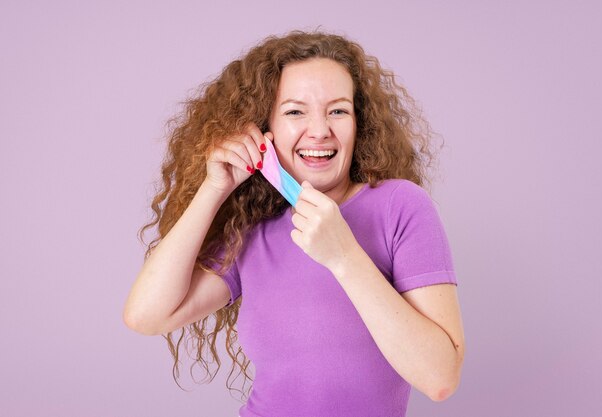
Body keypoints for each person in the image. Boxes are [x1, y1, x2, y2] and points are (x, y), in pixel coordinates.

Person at [123, 30, 465, 417]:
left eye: (338, 110)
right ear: (263, 129)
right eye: (294, 111)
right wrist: (213, 190)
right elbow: (146, 316)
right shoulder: (252, 228)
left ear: (359, 123)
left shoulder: (400, 206)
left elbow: (440, 377)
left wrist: (344, 256)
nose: (319, 130)